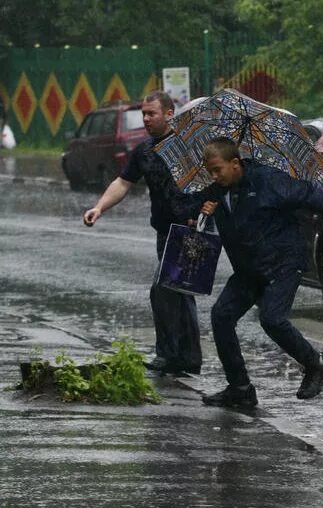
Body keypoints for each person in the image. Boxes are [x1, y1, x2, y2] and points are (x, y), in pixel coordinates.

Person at [197, 137, 323, 408]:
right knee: (221, 316)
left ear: (235, 163)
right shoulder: (216, 191)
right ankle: (240, 388)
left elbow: (312, 194)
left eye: (217, 169)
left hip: (284, 263)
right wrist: (202, 210)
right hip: (249, 269)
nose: (214, 176)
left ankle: (317, 364)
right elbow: (188, 209)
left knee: (272, 318)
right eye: (210, 171)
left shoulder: (268, 180)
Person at [83, 91, 203, 376]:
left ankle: (170, 355)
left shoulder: (189, 148)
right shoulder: (145, 150)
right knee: (179, 293)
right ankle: (187, 357)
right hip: (164, 231)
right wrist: (99, 207)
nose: (146, 119)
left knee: (163, 289)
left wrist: (202, 210)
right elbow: (123, 183)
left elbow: (212, 181)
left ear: (169, 114)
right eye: (144, 114)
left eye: (152, 114)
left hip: (188, 230)